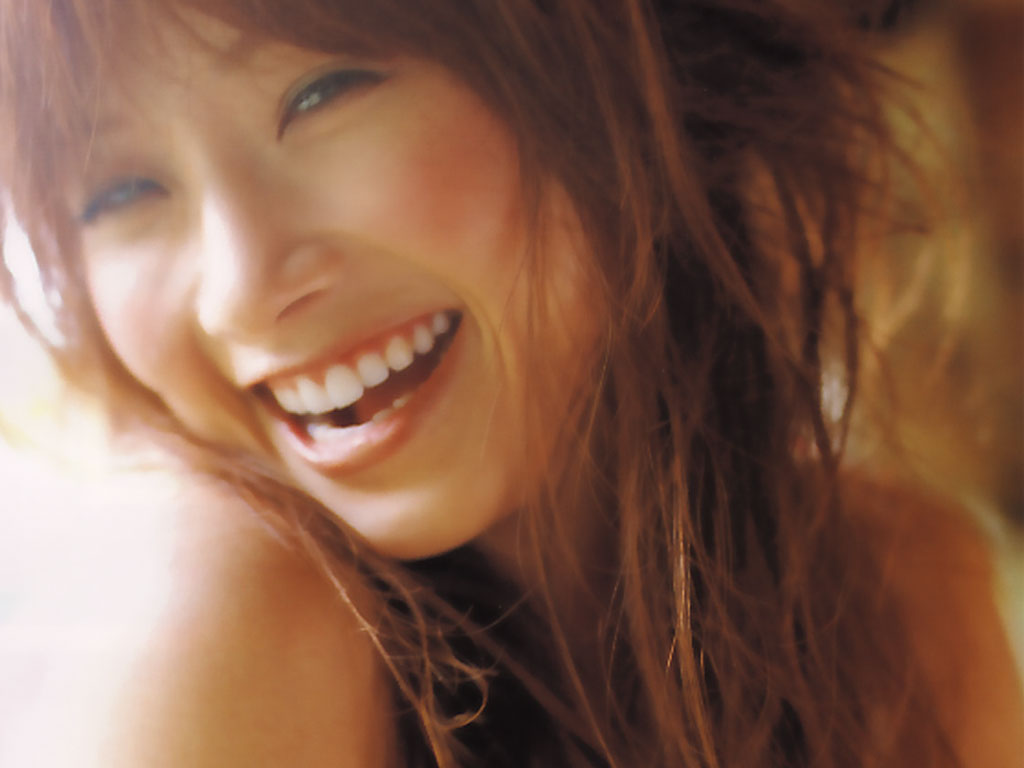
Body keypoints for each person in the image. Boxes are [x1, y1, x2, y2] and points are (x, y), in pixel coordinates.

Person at [0, 0, 1019, 765]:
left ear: (598, 61)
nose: (240, 290)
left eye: (323, 92)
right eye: (121, 190)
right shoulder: (222, 614)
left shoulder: (902, 603)